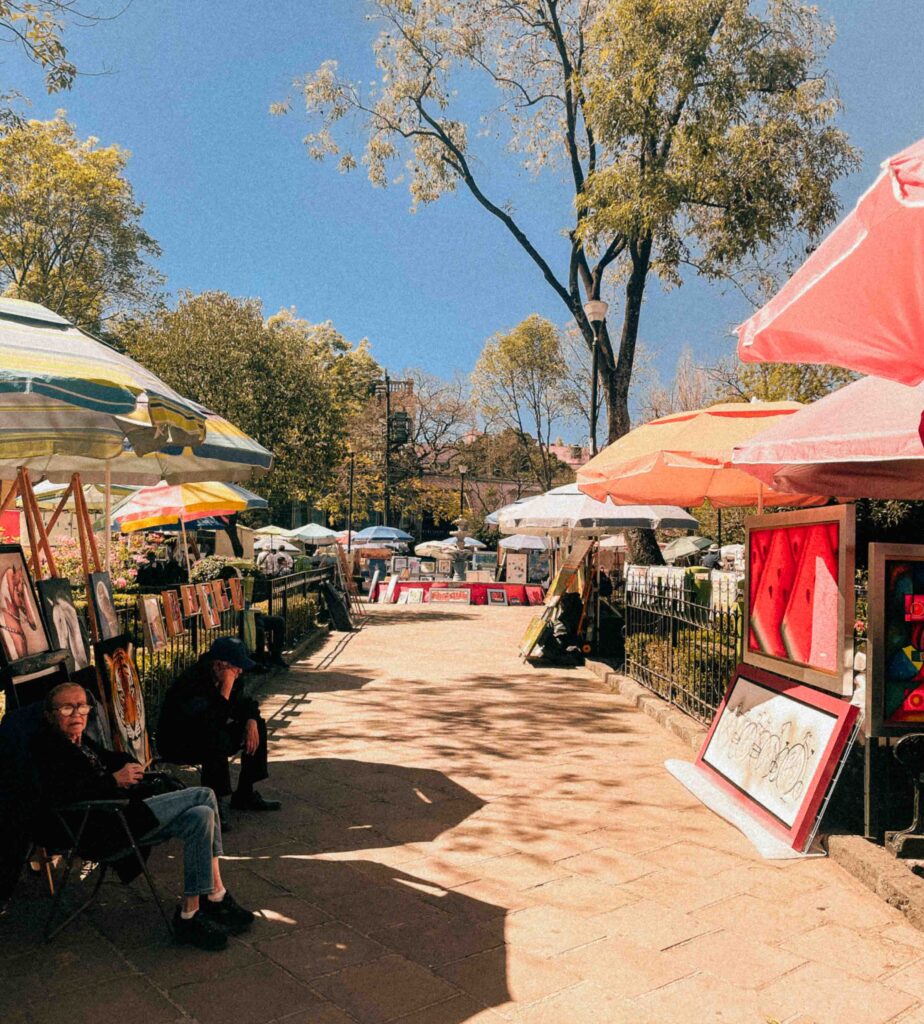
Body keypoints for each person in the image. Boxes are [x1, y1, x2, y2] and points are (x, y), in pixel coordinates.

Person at [32, 682, 253, 951]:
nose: (77, 713)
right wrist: (113, 780)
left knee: (202, 816)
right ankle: (216, 895)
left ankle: (190, 912)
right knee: (204, 795)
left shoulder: (79, 740)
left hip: (123, 816)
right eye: (67, 707)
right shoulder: (49, 747)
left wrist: (127, 764)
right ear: (50, 713)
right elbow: (64, 794)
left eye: (82, 705)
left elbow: (109, 757)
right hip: (105, 828)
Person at [156, 637, 281, 830]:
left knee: (257, 726)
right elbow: (208, 722)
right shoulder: (193, 682)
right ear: (219, 665)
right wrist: (225, 689)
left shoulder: (232, 678)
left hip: (207, 733)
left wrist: (251, 720)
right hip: (179, 741)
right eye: (236, 668)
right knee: (215, 738)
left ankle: (245, 794)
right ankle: (214, 802)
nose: (240, 672)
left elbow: (245, 703)